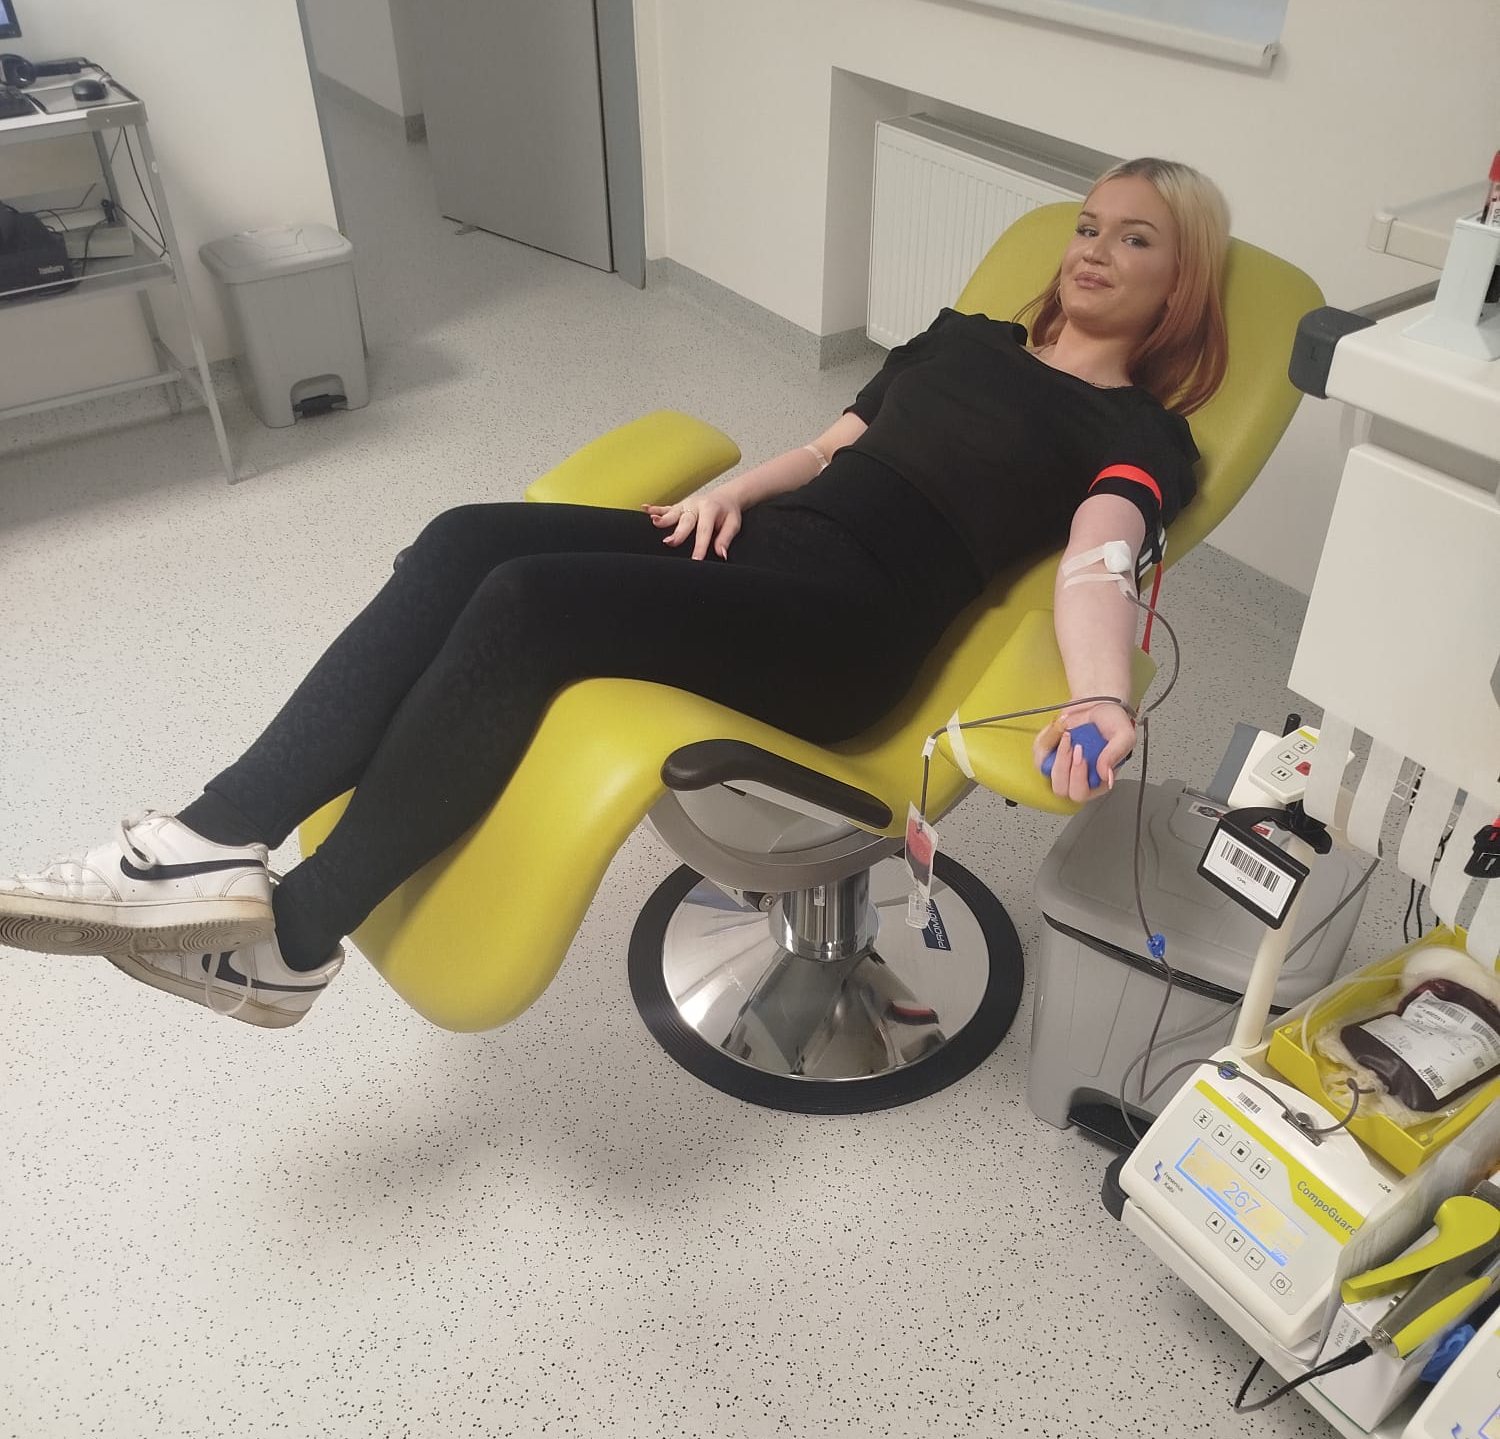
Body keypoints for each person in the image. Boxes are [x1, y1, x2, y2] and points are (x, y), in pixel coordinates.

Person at [0, 158, 1229, 1029]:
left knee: (530, 605)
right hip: (770, 543)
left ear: (1182, 285)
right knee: (467, 536)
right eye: (1088, 224)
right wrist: (731, 493)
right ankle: (214, 835)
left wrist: (1100, 695)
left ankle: (294, 932)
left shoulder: (1136, 429)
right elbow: (833, 445)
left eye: (1137, 239)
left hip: (851, 626)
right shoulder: (964, 337)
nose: (1094, 249)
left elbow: (1099, 556)